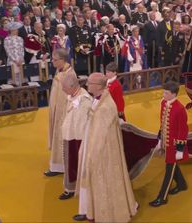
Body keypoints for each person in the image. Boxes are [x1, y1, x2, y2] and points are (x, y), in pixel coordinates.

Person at [74, 72, 138, 222]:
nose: (87, 85)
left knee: (104, 183)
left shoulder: (105, 106)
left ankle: (106, 213)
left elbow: (100, 135)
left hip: (103, 152)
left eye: (89, 83)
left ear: (97, 86)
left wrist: (89, 155)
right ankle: (89, 209)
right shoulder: (99, 99)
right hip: (93, 145)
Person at [150, 81, 189, 207]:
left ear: (173, 94)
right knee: (172, 167)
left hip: (174, 146)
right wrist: (160, 137)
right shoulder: (163, 103)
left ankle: (162, 197)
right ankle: (182, 184)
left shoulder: (180, 109)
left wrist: (179, 150)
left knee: (169, 170)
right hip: (166, 142)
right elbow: (163, 121)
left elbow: (182, 131)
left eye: (166, 93)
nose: (163, 94)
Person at [59, 73, 92, 200]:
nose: (62, 89)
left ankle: (80, 190)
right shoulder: (72, 95)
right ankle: (70, 188)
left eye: (64, 87)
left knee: (78, 165)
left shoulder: (84, 99)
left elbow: (83, 122)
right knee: (70, 164)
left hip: (78, 139)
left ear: (72, 86)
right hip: (70, 137)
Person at [45, 48, 77, 177]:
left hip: (63, 112)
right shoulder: (60, 70)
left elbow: (71, 95)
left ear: (63, 60)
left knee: (60, 138)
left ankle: (60, 166)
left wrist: (64, 113)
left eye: (55, 59)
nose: (52, 61)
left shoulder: (69, 74)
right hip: (56, 110)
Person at [4, 21, 24, 86]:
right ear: (12, 30)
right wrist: (15, 61)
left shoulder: (20, 38)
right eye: (16, 29)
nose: (17, 30)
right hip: (12, 61)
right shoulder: (7, 39)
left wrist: (21, 59)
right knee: (13, 78)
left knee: (22, 78)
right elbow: (8, 52)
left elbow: (22, 50)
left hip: (21, 61)